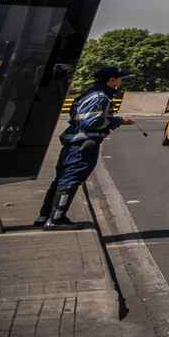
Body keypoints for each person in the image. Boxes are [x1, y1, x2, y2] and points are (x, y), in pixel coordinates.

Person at [36, 67, 133, 228]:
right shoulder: (100, 97)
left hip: (75, 143)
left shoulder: (91, 93)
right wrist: (118, 121)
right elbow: (91, 122)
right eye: (120, 78)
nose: (121, 81)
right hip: (83, 144)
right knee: (70, 180)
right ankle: (56, 219)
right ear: (111, 80)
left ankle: (44, 216)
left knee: (61, 179)